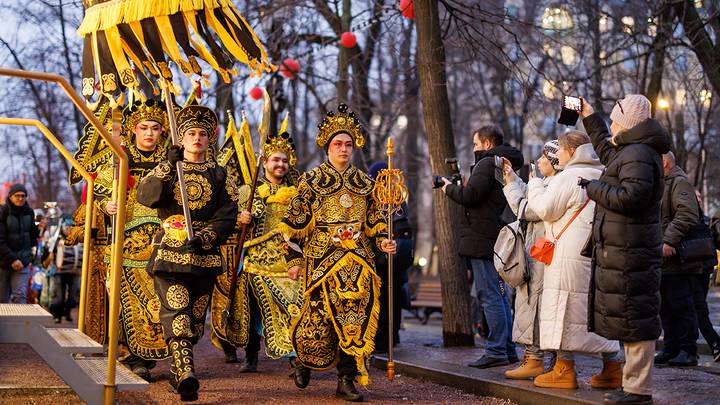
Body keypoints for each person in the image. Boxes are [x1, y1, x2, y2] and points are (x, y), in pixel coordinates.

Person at [281, 104, 396, 402]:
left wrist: (384, 240)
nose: (343, 149)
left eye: (348, 144)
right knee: (316, 321)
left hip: (359, 262)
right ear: (327, 147)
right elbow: (290, 227)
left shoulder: (366, 184)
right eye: (337, 144)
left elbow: (376, 221)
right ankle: (304, 360)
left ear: (354, 146)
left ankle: (346, 379)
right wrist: (293, 260)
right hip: (321, 262)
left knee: (354, 320)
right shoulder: (310, 182)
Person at [137, 104, 239, 402]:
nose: (197, 138)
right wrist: (167, 167)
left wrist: (208, 235)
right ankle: (185, 375)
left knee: (194, 321)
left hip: (204, 256)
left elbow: (228, 213)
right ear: (182, 138)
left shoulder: (220, 175)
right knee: (177, 312)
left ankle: (177, 371)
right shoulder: (169, 168)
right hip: (170, 252)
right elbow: (146, 196)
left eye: (202, 134)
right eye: (191, 133)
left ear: (210, 139)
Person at [579, 95, 671, 405]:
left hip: (633, 249)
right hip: (625, 248)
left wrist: (593, 188)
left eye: (616, 119)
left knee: (637, 320)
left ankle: (638, 390)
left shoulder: (640, 154)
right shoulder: (632, 151)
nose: (613, 123)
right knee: (630, 318)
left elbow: (632, 196)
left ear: (629, 124)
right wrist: (590, 117)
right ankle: (633, 386)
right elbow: (607, 152)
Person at [525, 131, 621, 389]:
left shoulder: (568, 177)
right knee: (593, 309)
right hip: (594, 251)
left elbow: (545, 208)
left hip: (567, 254)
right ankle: (613, 367)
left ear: (570, 151)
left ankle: (563, 369)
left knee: (564, 308)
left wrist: (533, 184)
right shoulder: (603, 173)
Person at [210, 131, 303, 372]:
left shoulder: (297, 195)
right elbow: (228, 223)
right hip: (255, 259)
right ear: (265, 163)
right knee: (252, 309)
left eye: (284, 160)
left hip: (286, 259)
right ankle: (252, 355)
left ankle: (295, 356)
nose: (280, 165)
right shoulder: (247, 192)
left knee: (292, 304)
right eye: (275, 160)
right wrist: (242, 219)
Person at [93, 98, 170, 379]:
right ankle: (136, 356)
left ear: (162, 132)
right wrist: (106, 204)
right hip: (125, 241)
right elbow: (99, 189)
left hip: (163, 241)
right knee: (130, 301)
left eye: (155, 128)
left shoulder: (170, 162)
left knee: (161, 301)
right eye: (144, 127)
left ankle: (163, 354)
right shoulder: (118, 160)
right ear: (134, 130)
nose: (150, 133)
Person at [441, 125, 524, 368]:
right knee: (498, 296)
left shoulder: (487, 163)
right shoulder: (501, 164)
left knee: (490, 296)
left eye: (476, 144)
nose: (475, 149)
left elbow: (471, 197)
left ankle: (497, 350)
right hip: (494, 238)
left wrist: (448, 188)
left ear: (487, 144)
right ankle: (508, 349)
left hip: (482, 239)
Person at [500, 140, 561, 379]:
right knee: (531, 303)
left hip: (543, 253)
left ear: (554, 163)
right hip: (538, 250)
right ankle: (538, 358)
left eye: (544, 157)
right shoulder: (549, 182)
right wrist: (513, 179)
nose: (538, 161)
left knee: (535, 304)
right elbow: (531, 196)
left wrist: (513, 187)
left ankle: (536, 358)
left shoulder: (557, 184)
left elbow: (527, 209)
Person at [654, 152, 707, 367]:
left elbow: (687, 214)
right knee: (666, 306)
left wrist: (668, 241)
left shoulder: (679, 182)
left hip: (677, 258)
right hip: (664, 259)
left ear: (664, 162)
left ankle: (688, 350)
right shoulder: (664, 183)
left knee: (682, 305)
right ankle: (671, 347)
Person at [368, 161, 414, 354]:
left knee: (387, 300)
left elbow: (399, 231)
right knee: (389, 300)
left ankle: (384, 340)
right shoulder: (392, 199)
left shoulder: (391, 201)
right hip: (393, 260)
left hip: (389, 260)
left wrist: (383, 257)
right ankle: (389, 337)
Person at [0, 184, 40, 304]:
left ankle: (19, 323)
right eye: (17, 196)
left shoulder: (29, 213)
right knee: (2, 299)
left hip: (23, 261)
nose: (20, 198)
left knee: (20, 295)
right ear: (10, 196)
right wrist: (12, 259)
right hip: (3, 261)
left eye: (23, 196)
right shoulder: (3, 212)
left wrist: (39, 229)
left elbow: (32, 239)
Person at [44, 215, 82, 323]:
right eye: (66, 227)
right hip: (59, 272)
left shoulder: (78, 240)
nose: (68, 230)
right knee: (59, 296)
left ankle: (68, 312)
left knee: (73, 296)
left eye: (70, 227)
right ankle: (57, 315)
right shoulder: (55, 241)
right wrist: (50, 259)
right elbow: (47, 256)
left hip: (74, 272)